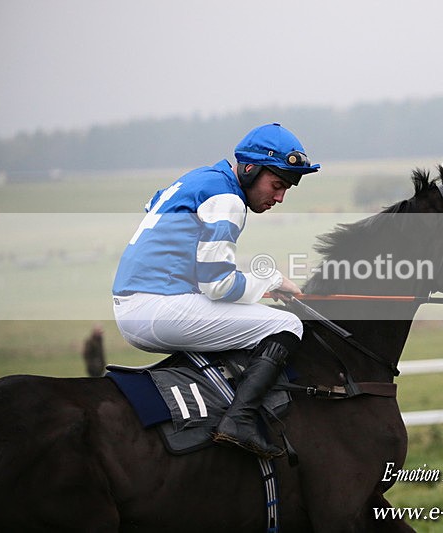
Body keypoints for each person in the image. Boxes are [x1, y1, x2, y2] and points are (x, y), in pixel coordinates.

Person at [112, 123, 319, 458]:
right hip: (159, 309)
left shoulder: (201, 179)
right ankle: (239, 421)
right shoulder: (227, 199)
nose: (280, 197)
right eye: (277, 185)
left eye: (286, 189)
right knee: (287, 325)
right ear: (250, 169)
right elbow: (218, 285)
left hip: (136, 306)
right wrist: (272, 281)